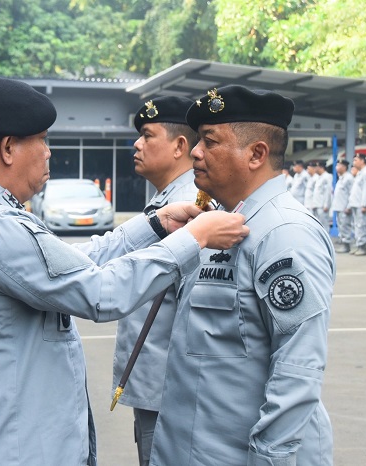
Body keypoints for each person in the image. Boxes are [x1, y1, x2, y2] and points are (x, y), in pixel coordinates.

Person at [0, 76, 248, 466]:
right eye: (41, 139)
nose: (47, 152)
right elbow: (100, 292)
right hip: (11, 446)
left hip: (17, 437)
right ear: (8, 148)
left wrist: (155, 226)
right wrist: (193, 239)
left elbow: (73, 262)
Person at [150, 85, 335, 465]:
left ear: (256, 154)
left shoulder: (284, 232)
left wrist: (270, 458)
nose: (196, 152)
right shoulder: (216, 223)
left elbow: (297, 366)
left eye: (210, 141)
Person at [112, 96, 198, 466]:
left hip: (171, 392)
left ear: (180, 146)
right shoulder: (165, 202)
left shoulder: (194, 206)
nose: (137, 143)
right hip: (153, 387)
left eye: (147, 135)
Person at [348, 153, 366, 256]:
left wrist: (364, 204)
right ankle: (359, 245)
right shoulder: (360, 173)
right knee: (357, 226)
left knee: (361, 226)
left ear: (362, 161)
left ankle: (362, 247)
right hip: (355, 203)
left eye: (356, 160)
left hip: (360, 205)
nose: (354, 163)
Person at [331, 159, 354, 253]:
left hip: (345, 208)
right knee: (341, 226)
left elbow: (351, 193)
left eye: (339, 165)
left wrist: (349, 206)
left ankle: (347, 245)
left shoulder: (348, 178)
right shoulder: (341, 178)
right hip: (339, 207)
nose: (337, 167)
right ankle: (344, 243)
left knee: (345, 226)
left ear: (344, 167)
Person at [312, 160, 333, 233]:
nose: (315, 168)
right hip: (317, 205)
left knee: (324, 225)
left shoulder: (327, 176)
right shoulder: (318, 177)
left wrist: (326, 205)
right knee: (318, 225)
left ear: (321, 167)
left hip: (322, 206)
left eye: (316, 167)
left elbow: (328, 192)